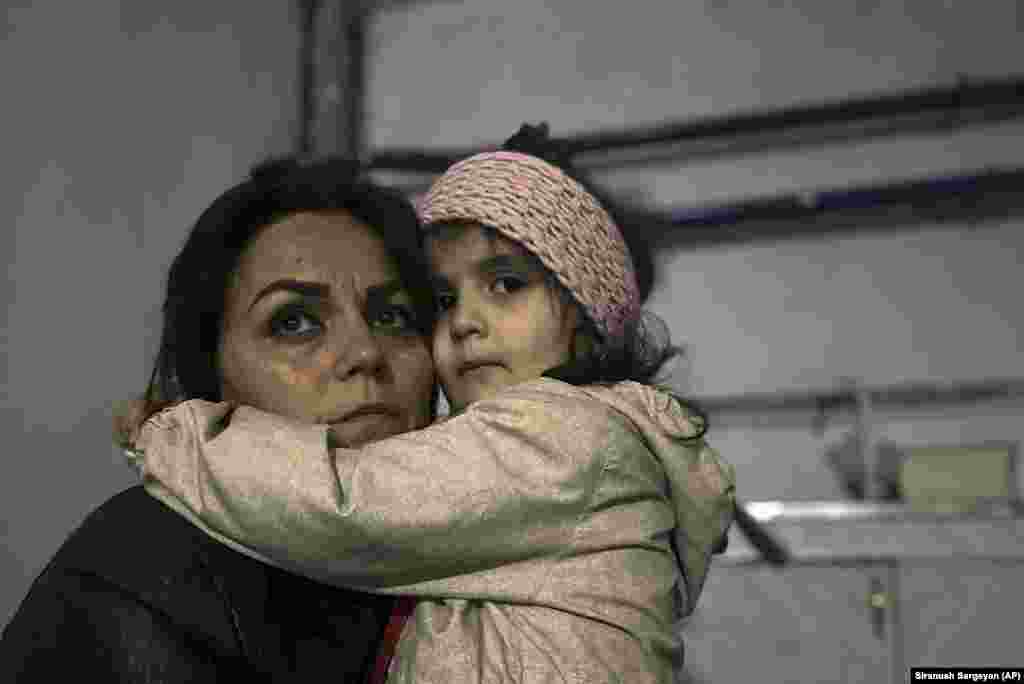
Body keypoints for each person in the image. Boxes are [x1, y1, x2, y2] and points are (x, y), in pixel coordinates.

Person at [126, 124, 737, 683]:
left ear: (587, 321)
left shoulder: (566, 436)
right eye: (442, 299)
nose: (466, 321)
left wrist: (177, 436)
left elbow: (347, 504)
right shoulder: (132, 580)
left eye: (506, 284)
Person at [0, 157, 439, 682]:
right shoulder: (142, 575)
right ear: (211, 380)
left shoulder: (476, 552)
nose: (366, 351)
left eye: (393, 316)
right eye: (293, 322)